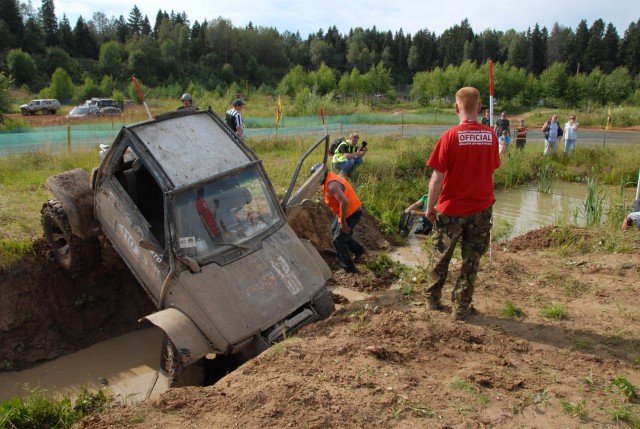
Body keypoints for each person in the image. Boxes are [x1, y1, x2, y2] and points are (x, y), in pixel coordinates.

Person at [424, 86, 500, 320]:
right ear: (479, 107)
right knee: (471, 261)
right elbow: (492, 168)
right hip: (481, 209)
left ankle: (432, 300)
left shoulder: (449, 137)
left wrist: (429, 208)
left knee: (440, 256)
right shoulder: (491, 136)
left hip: (452, 210)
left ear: (456, 107)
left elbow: (437, 178)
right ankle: (461, 307)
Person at [321, 170, 365, 274]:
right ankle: (359, 250)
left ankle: (349, 269)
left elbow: (344, 202)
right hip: (347, 211)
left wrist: (343, 221)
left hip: (351, 212)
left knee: (338, 240)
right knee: (336, 231)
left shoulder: (332, 185)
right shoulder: (329, 178)